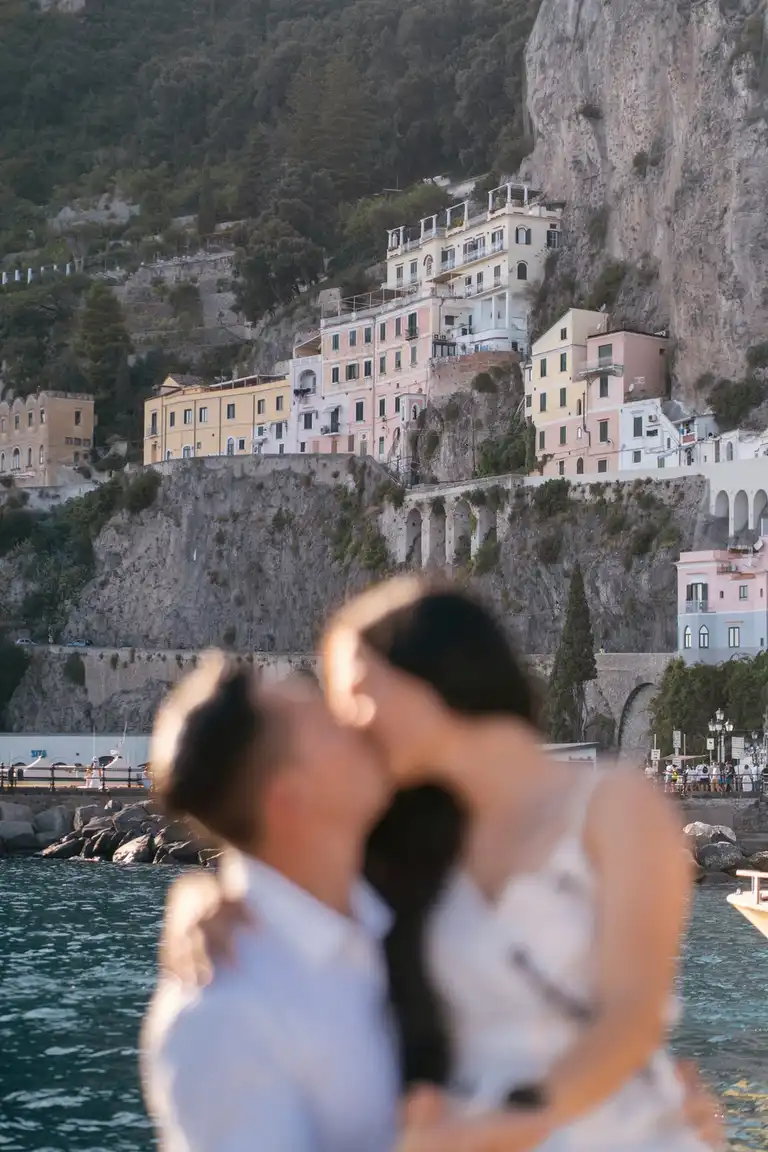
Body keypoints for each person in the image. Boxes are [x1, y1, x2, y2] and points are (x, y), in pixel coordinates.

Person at [162, 579, 720, 1152]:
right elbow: (286, 865)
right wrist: (205, 898)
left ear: (423, 678)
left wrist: (502, 1126)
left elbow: (632, 1017)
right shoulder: (403, 841)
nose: (348, 721)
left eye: (353, 691)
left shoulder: (617, 807)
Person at [142, 653, 404, 1152]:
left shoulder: (387, 916)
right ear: (290, 796)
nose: (361, 722)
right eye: (329, 725)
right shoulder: (222, 1017)